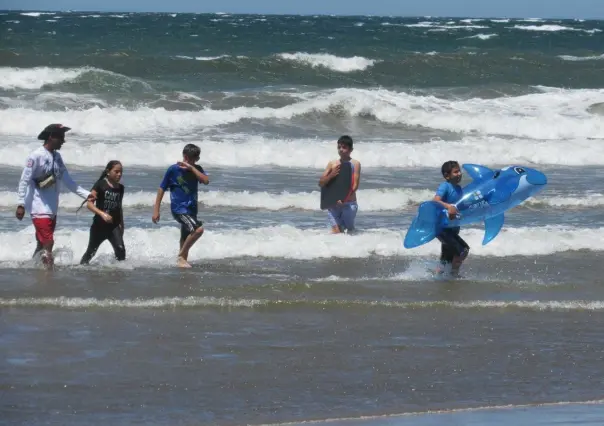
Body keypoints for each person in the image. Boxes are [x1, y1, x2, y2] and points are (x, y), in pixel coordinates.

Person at [16, 123, 94, 268]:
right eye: (61, 138)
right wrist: (20, 204)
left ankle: (31, 267)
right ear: (51, 137)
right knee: (49, 242)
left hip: (52, 209)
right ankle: (48, 273)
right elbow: (24, 180)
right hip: (38, 208)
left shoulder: (57, 157)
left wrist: (87, 195)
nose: (63, 141)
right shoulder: (36, 156)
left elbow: (68, 181)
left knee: (41, 243)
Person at [152, 144, 209, 268]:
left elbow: (205, 180)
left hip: (192, 209)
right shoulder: (173, 170)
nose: (194, 162)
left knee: (185, 235)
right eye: (192, 159)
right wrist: (156, 210)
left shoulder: (197, 169)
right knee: (198, 230)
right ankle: (181, 255)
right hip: (179, 209)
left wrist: (192, 168)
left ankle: (182, 262)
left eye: (196, 159)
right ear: (185, 156)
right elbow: (161, 188)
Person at [79, 161, 126, 265]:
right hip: (99, 226)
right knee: (91, 252)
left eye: (121, 172)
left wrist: (122, 225)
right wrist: (102, 214)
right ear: (108, 172)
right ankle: (81, 269)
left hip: (114, 226)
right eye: (116, 171)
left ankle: (118, 275)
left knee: (121, 251)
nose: (119, 174)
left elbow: (119, 207)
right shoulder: (100, 184)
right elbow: (89, 204)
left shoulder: (121, 188)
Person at [433, 160, 470, 276]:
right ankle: (453, 276)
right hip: (443, 228)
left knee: (446, 258)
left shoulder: (459, 189)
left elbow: (461, 206)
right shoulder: (445, 186)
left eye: (459, 171)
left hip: (452, 228)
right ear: (447, 176)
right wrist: (449, 206)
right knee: (463, 251)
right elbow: (436, 201)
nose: (459, 174)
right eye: (455, 172)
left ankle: (438, 277)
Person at [318, 135, 361, 233]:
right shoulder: (332, 164)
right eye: (339, 147)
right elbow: (321, 183)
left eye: (344, 147)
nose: (341, 150)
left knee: (349, 232)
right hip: (333, 204)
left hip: (348, 204)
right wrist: (331, 175)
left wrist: (343, 199)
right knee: (337, 232)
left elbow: (355, 186)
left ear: (351, 149)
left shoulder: (355, 164)